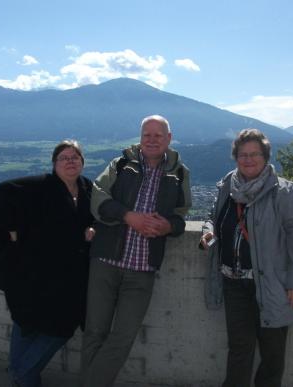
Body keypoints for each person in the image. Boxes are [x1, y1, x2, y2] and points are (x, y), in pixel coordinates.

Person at [200, 129, 293, 387]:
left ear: (266, 157)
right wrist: (208, 232)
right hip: (233, 283)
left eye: (254, 154)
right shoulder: (227, 186)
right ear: (235, 158)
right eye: (243, 155)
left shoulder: (285, 192)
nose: (248, 159)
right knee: (239, 350)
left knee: (272, 354)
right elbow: (212, 216)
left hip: (272, 284)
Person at [81, 115, 192, 387]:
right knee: (95, 330)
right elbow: (98, 197)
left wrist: (168, 226)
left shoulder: (179, 173)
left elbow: (180, 217)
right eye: (147, 134)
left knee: (123, 336)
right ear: (140, 137)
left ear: (169, 138)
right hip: (106, 260)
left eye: (158, 135)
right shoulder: (120, 164)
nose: (152, 139)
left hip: (142, 269)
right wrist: (128, 217)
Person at [0, 140, 95, 387]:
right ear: (54, 164)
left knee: (50, 325)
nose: (70, 161)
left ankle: (19, 374)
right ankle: (24, 376)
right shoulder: (37, 187)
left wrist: (92, 228)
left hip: (69, 277)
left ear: (83, 162)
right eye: (64, 157)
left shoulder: (87, 188)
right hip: (34, 273)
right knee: (29, 323)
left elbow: (97, 218)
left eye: (75, 157)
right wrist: (7, 239)